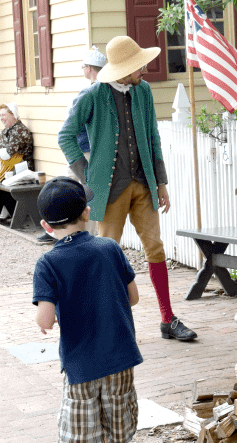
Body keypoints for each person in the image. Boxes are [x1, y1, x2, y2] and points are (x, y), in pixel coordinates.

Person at [57, 35, 197, 342]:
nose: (144, 70)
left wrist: (161, 182)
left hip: (143, 184)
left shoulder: (143, 91)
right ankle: (107, 323)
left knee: (156, 249)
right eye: (138, 66)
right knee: (107, 254)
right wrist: (86, 175)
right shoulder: (93, 95)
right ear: (123, 69)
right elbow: (65, 135)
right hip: (108, 190)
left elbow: (153, 137)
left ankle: (167, 318)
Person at [32, 177, 142, 443]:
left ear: (47, 227)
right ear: (86, 212)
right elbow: (134, 296)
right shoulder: (109, 248)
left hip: (81, 370)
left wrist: (53, 315)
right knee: (118, 439)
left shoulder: (48, 262)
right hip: (120, 362)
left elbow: (45, 320)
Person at [37, 46, 107, 246]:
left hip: (86, 152)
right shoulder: (97, 91)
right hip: (83, 150)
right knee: (70, 192)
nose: (82, 69)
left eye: (83, 66)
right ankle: (59, 231)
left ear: (90, 69)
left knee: (83, 195)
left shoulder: (92, 92)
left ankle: (84, 235)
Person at [0, 102, 34, 181]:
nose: (1, 118)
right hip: (8, 173)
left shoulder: (20, 131)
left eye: (3, 115)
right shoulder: (6, 130)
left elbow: (6, 155)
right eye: (0, 115)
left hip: (21, 175)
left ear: (13, 115)